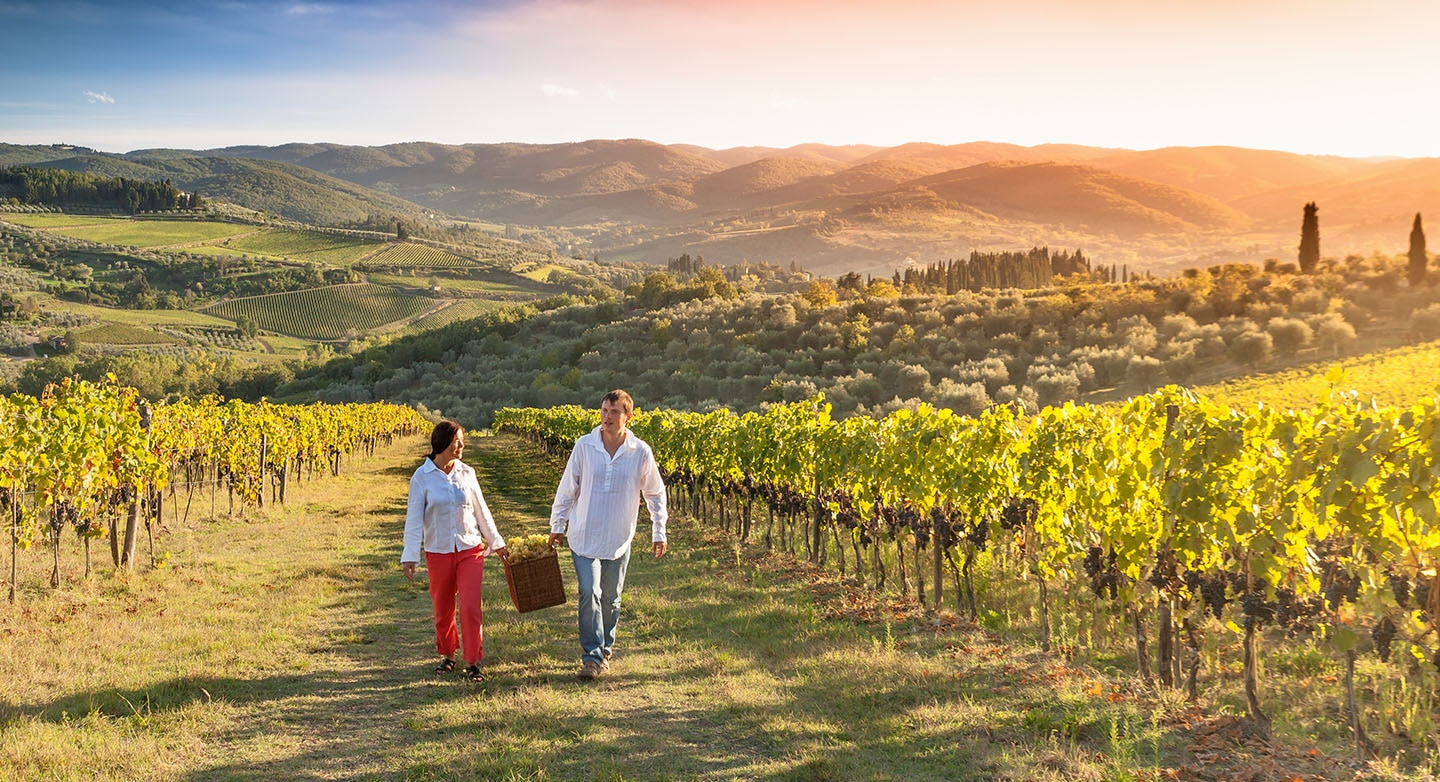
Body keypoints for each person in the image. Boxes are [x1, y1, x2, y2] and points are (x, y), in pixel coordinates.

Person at [549, 389, 668, 680]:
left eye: (614, 412)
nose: (607, 417)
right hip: (584, 534)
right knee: (589, 591)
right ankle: (591, 656)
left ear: (629, 416)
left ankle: (605, 650)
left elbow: (655, 492)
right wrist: (557, 524)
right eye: (604, 411)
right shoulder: (584, 446)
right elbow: (568, 487)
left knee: (611, 598)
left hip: (618, 536)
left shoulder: (640, 451)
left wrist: (658, 529)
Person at [401, 420, 506, 682]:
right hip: (438, 552)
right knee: (443, 609)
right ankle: (448, 656)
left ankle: (473, 662)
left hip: (470, 549)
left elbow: (482, 511)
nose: (462, 445)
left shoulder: (467, 473)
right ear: (443, 442)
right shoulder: (421, 477)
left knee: (471, 607)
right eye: (458, 440)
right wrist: (410, 555)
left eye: (462, 440)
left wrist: (496, 542)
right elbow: (414, 519)